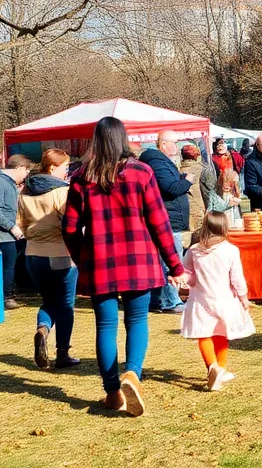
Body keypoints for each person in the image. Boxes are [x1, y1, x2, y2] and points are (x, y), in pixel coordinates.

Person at [62, 117, 185, 417]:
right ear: (123, 139)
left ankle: (112, 392)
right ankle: (132, 374)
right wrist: (176, 266)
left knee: (105, 326)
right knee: (136, 321)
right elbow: (160, 223)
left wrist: (82, 259)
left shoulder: (81, 178)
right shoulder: (142, 173)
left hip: (100, 262)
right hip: (139, 260)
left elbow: (68, 228)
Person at [19, 149, 80, 370]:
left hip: (33, 254)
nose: (67, 172)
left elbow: (21, 224)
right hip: (60, 253)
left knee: (48, 301)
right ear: (53, 167)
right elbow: (71, 223)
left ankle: (43, 328)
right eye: (65, 167)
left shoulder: (25, 192)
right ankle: (62, 352)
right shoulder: (61, 192)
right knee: (65, 305)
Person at [180, 212, 254, 391]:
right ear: (224, 227)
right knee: (222, 333)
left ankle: (212, 367)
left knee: (204, 333)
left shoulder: (194, 250)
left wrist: (181, 279)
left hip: (201, 300)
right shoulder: (230, 250)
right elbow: (237, 278)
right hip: (224, 300)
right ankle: (220, 368)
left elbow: (189, 276)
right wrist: (244, 298)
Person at [140, 132, 193, 315]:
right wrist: (186, 181)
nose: (176, 147)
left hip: (170, 217)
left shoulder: (159, 162)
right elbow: (170, 188)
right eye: (174, 143)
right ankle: (171, 300)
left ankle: (159, 299)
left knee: (162, 261)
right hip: (169, 219)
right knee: (171, 260)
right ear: (163, 144)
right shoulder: (157, 163)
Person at [0, 154, 34, 309]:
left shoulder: (7, 183)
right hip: (3, 236)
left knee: (11, 265)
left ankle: (9, 294)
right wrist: (12, 227)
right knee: (7, 266)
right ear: (19, 168)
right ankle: (6, 297)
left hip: (8, 234)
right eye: (26, 171)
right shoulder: (0, 182)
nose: (26, 175)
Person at [180, 143, 216, 234]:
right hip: (200, 208)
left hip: (182, 209)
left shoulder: (177, 170)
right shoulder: (203, 169)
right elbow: (210, 190)